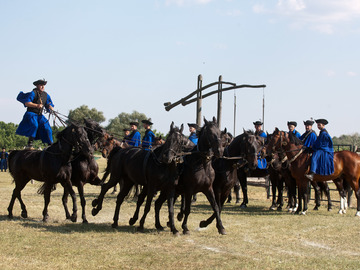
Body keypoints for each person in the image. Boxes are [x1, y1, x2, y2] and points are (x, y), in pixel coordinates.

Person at [16, 79, 54, 148]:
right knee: (34, 125)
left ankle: (50, 144)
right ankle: (29, 143)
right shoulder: (33, 93)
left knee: (47, 127)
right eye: (41, 85)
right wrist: (37, 105)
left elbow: (49, 104)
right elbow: (27, 103)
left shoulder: (46, 95)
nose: (43, 86)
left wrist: (50, 107)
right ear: (37, 86)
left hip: (39, 115)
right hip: (31, 114)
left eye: (44, 85)